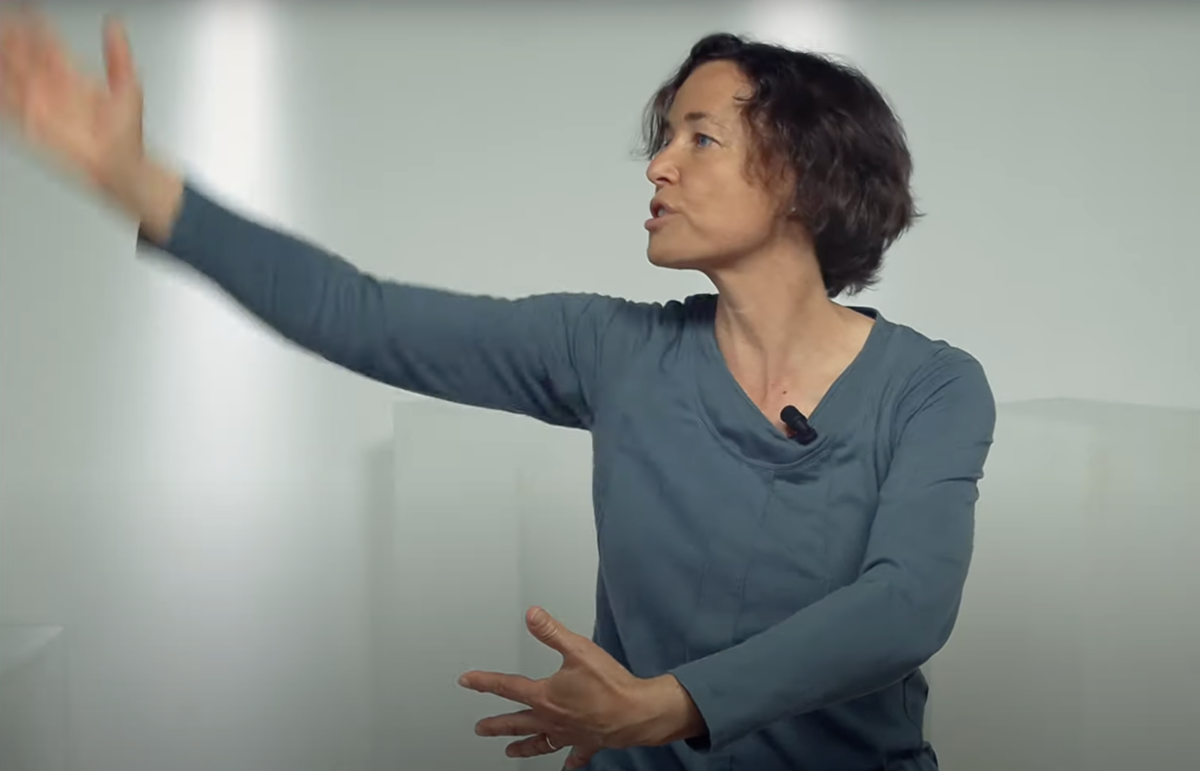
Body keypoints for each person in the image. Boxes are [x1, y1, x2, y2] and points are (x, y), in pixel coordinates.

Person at [0, 10, 996, 771]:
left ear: (805, 176)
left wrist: (666, 705)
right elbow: (362, 315)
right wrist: (140, 183)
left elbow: (904, 605)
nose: (657, 166)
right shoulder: (611, 349)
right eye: (663, 138)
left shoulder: (932, 387)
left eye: (700, 138)